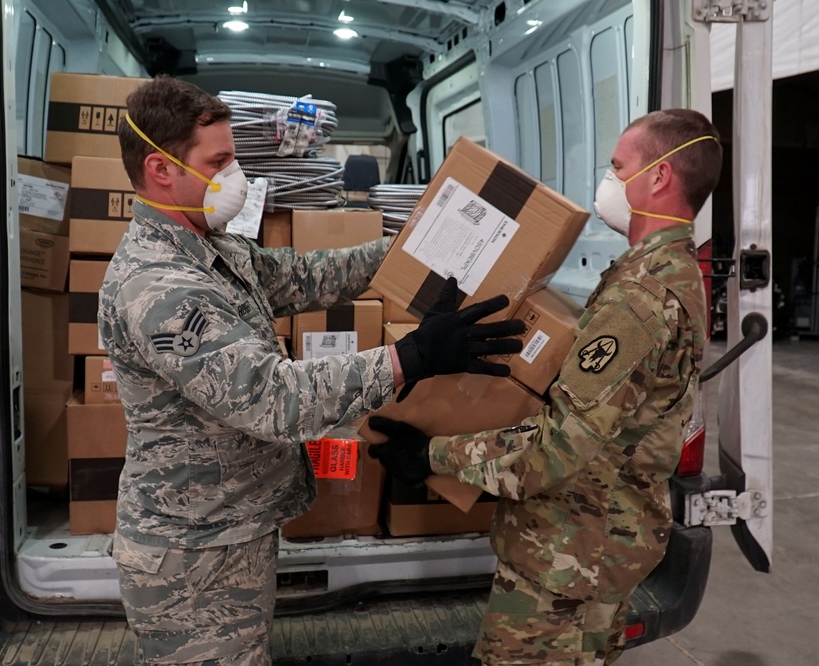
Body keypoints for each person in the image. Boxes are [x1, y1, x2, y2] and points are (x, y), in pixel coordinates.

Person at [98, 76, 525, 666]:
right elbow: (275, 400)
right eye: (217, 161)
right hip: (191, 554)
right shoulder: (159, 286)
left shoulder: (211, 244)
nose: (233, 177)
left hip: (230, 528)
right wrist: (413, 356)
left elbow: (305, 278)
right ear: (160, 168)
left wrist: (421, 245)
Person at [368, 108, 721, 665]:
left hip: (572, 559)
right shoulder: (668, 273)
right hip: (598, 546)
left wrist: (431, 454)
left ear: (658, 178)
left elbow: (556, 452)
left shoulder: (640, 299)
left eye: (617, 167)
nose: (609, 183)